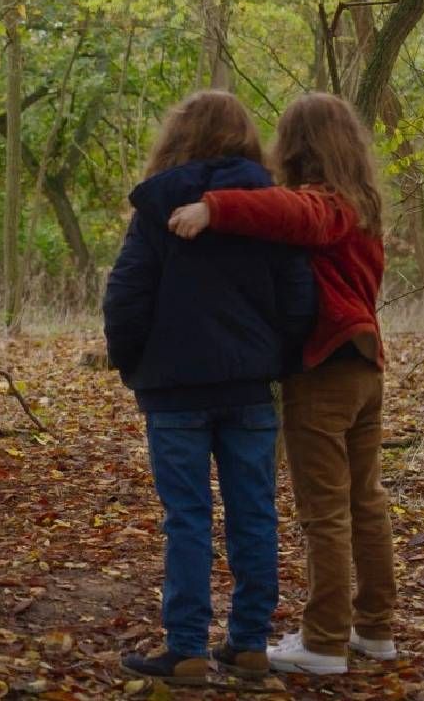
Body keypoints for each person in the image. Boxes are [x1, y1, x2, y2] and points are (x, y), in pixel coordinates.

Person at [168, 91, 397, 676]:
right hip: (363, 367)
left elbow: (293, 214)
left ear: (297, 146)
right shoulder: (362, 202)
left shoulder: (327, 204)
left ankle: (323, 642)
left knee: (326, 510)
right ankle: (373, 629)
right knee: (363, 503)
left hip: (326, 371)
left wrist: (214, 208)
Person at [104, 90, 315, 685]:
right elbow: (299, 296)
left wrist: (134, 365)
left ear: (177, 138)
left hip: (174, 391)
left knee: (188, 518)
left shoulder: (157, 210)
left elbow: (126, 296)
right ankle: (248, 643)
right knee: (254, 512)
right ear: (246, 140)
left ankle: (188, 647)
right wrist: (279, 359)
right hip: (249, 387)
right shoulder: (271, 209)